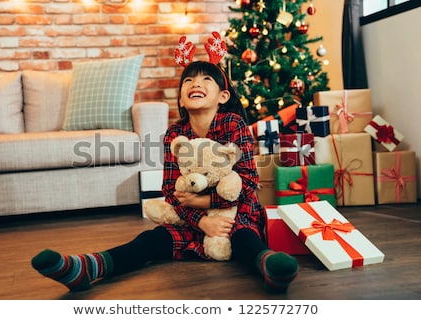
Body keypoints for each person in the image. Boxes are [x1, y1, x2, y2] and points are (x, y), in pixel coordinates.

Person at [31, 61, 299, 294]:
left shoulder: (233, 124)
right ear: (181, 99)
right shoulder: (175, 133)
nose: (196, 83)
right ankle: (88, 267)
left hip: (237, 214)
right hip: (191, 222)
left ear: (223, 95)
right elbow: (171, 190)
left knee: (244, 238)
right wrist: (201, 220)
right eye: (189, 80)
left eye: (207, 79)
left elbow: (248, 182)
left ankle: (270, 267)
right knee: (152, 240)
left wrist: (203, 204)